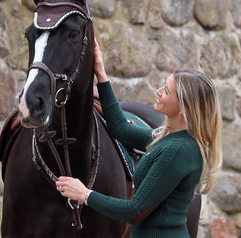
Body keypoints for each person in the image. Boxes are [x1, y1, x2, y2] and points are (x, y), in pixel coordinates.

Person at [56, 38, 223, 237]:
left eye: (167, 91)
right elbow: (120, 129)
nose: (158, 92)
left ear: (184, 109)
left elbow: (134, 210)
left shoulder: (179, 150)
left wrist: (85, 194)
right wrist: (100, 72)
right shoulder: (169, 138)